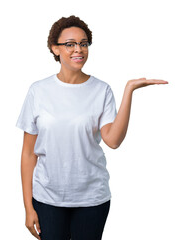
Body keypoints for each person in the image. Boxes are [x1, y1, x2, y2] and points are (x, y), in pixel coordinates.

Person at [15, 15, 168, 240]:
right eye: (70, 44)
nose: (78, 49)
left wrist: (128, 91)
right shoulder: (38, 91)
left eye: (83, 43)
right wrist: (28, 208)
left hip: (91, 199)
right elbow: (29, 154)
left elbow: (113, 141)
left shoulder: (102, 90)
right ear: (55, 49)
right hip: (47, 198)